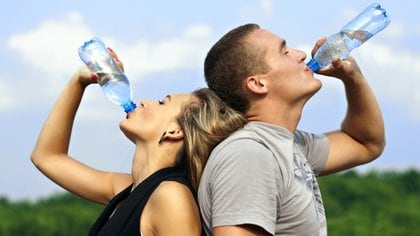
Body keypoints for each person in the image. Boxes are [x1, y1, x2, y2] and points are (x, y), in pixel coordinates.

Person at [31, 49, 247, 236]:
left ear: (175, 131)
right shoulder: (127, 189)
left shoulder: (171, 197)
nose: (145, 101)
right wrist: (78, 81)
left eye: (163, 102)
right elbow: (47, 157)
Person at [198, 23, 386, 235]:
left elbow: (365, 143)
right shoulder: (250, 155)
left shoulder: (289, 145)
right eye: (284, 51)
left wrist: (353, 78)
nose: (301, 54)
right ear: (258, 84)